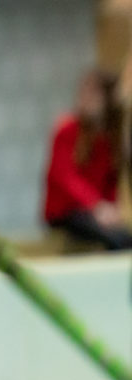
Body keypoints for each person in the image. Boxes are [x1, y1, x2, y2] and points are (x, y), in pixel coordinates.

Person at [43, 70, 132, 250]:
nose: (86, 99)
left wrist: (110, 210)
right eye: (84, 93)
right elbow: (65, 176)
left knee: (125, 238)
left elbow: (110, 180)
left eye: (93, 94)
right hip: (65, 212)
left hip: (93, 212)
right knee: (117, 241)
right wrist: (97, 206)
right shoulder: (67, 128)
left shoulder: (108, 137)